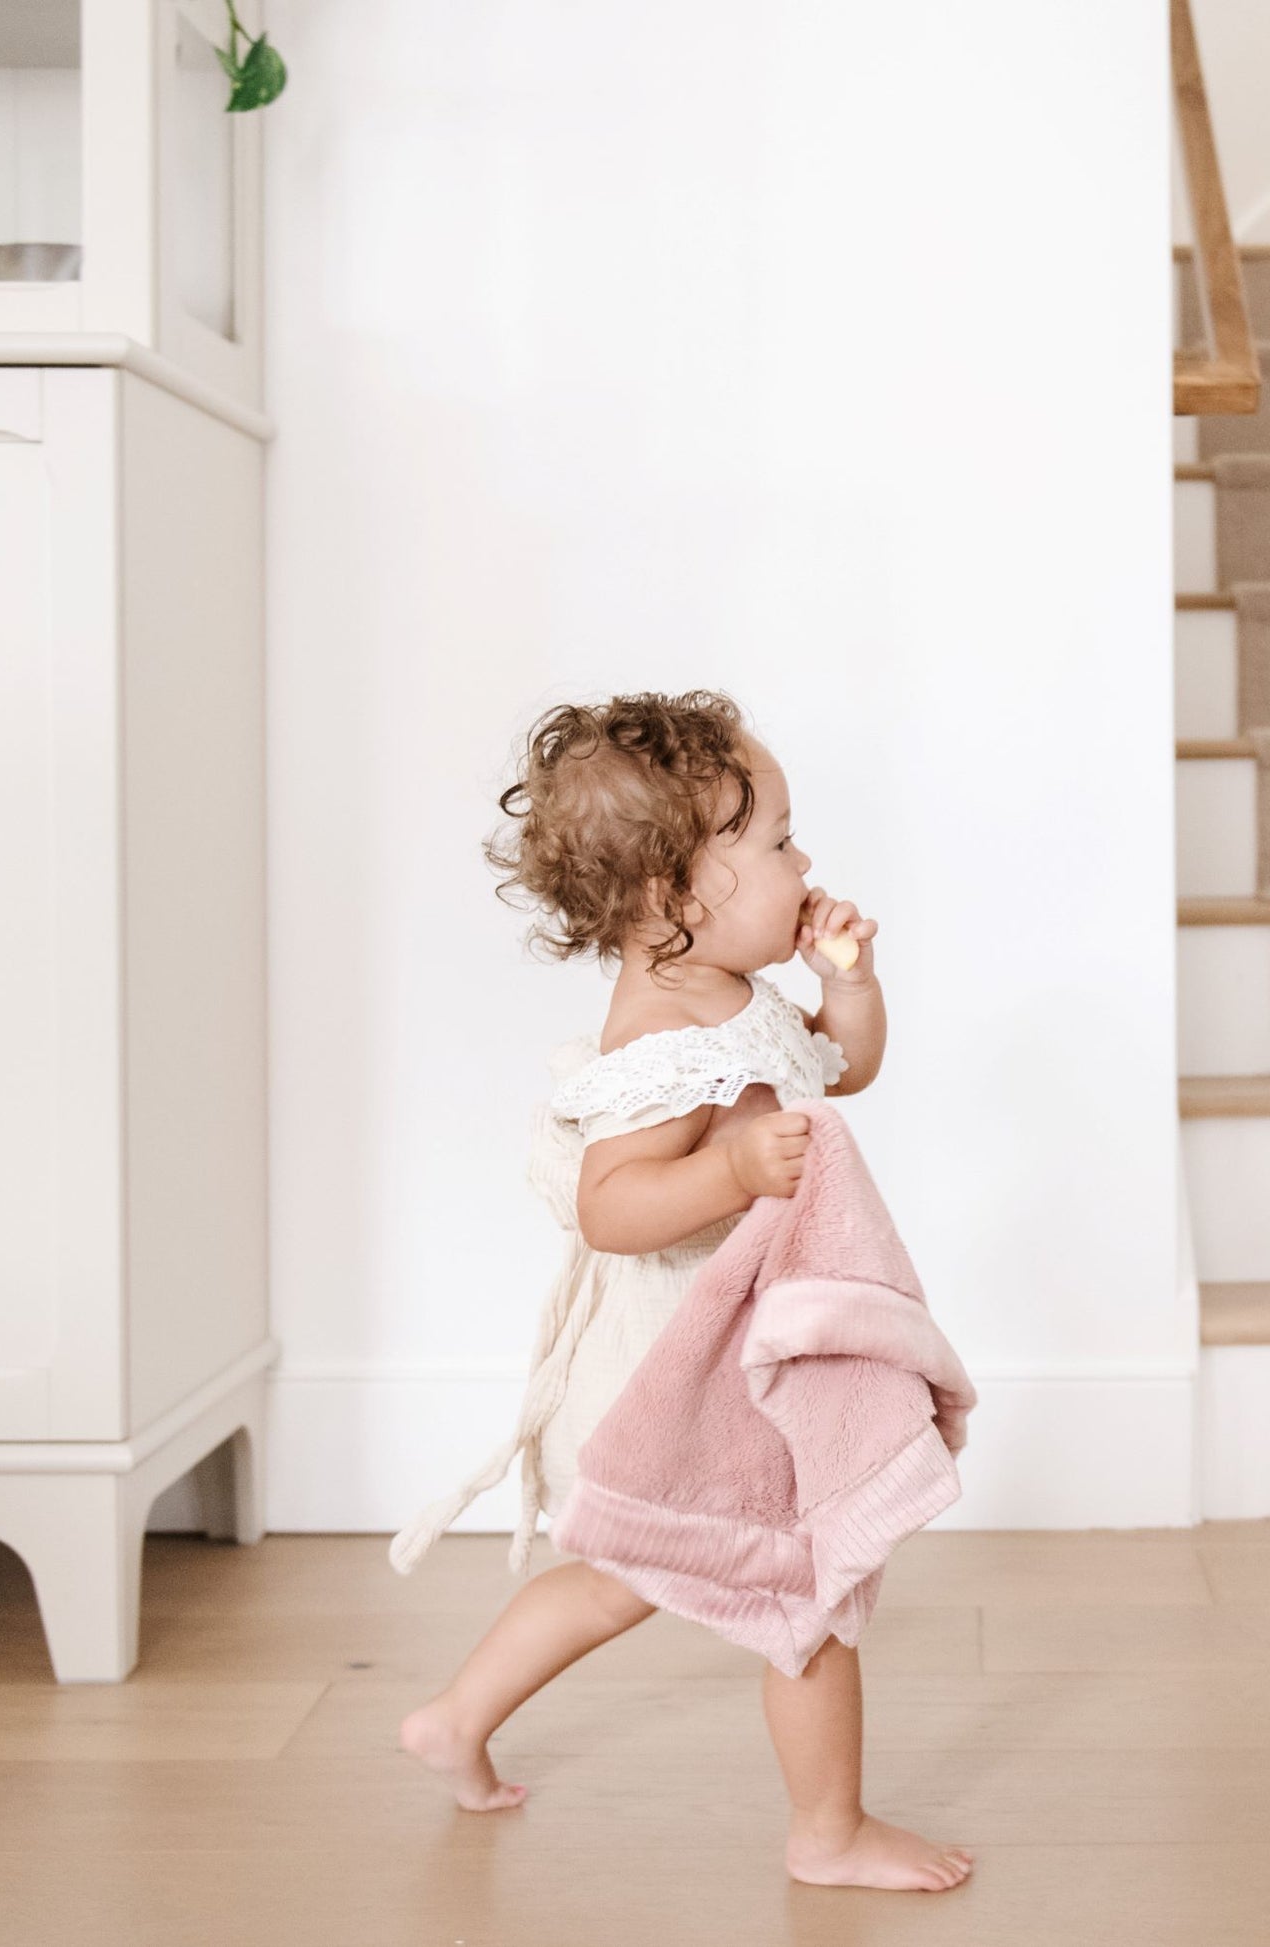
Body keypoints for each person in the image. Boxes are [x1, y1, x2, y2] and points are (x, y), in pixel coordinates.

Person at [389, 688, 973, 1893]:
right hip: (685, 1369)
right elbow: (612, 1207)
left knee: (616, 1579)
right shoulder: (658, 1042)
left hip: (711, 1356)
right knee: (804, 1585)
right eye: (771, 842)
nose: (803, 859)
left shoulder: (731, 996)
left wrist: (845, 979)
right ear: (672, 896)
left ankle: (453, 1719)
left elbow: (842, 1068)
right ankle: (827, 1832)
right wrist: (724, 1169)